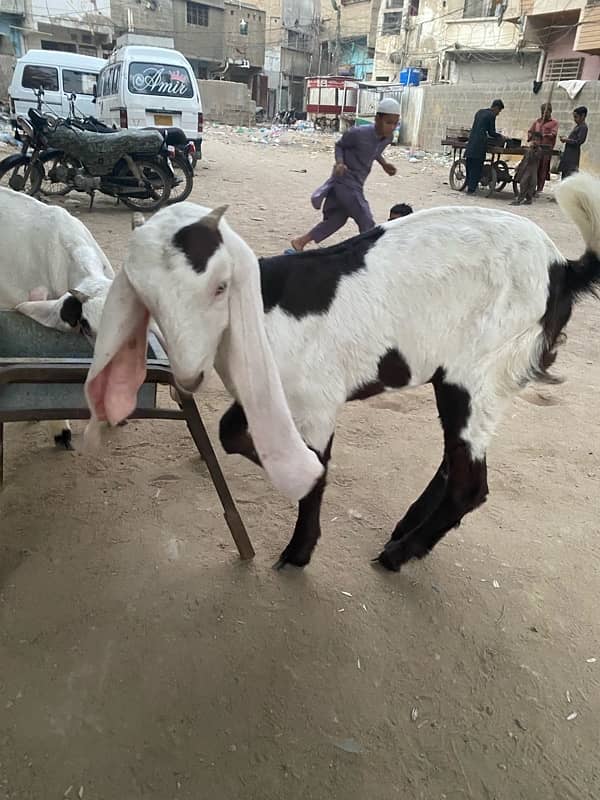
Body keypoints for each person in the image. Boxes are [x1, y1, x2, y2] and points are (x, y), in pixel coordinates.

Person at [291, 98, 400, 251]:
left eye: (395, 123)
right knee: (365, 218)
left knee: (337, 219)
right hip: (345, 181)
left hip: (358, 183)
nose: (392, 127)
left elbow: (374, 152)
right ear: (377, 119)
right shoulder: (357, 133)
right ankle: (369, 252)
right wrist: (339, 162)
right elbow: (339, 146)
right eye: (389, 122)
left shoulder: (388, 138)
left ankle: (300, 242)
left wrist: (384, 164)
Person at [464, 99, 505, 194]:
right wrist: (501, 136)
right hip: (480, 144)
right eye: (499, 111)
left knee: (470, 165)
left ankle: (469, 185)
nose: (498, 113)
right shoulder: (491, 115)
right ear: (496, 107)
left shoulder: (479, 112)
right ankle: (471, 189)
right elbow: (491, 132)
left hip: (471, 142)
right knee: (477, 167)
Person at [527, 102, 559, 194]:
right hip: (535, 148)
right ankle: (531, 185)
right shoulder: (537, 122)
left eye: (545, 112)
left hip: (546, 149)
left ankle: (539, 188)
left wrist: (544, 135)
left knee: (543, 168)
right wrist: (531, 136)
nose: (543, 114)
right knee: (534, 167)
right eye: (542, 112)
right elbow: (530, 131)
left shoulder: (554, 123)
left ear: (550, 112)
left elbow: (553, 134)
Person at [511, 131, 543, 206]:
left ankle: (524, 199)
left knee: (531, 184)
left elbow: (534, 158)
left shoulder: (539, 150)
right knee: (523, 183)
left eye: (537, 140)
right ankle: (522, 199)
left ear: (540, 141)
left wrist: (532, 149)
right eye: (534, 140)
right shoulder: (529, 149)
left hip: (532, 169)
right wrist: (519, 166)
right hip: (525, 168)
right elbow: (524, 159)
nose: (535, 142)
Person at [559, 106, 588, 180]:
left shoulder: (583, 127)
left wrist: (566, 140)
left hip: (573, 155)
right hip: (568, 153)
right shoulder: (578, 126)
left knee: (569, 174)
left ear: (583, 116)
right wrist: (566, 139)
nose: (575, 119)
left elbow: (579, 141)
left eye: (576, 117)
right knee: (564, 173)